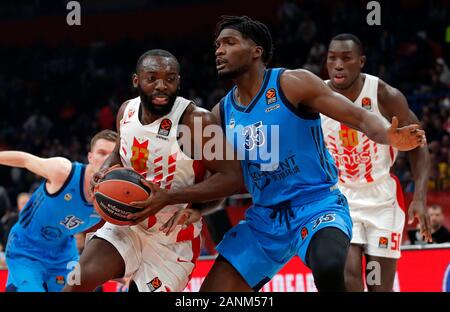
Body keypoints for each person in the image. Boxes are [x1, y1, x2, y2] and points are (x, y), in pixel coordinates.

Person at [164, 15, 424, 292]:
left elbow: (359, 117)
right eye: (217, 45)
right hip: (265, 219)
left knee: (329, 266)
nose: (219, 50)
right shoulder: (220, 114)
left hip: (317, 206)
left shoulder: (292, 83)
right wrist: (196, 207)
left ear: (256, 51)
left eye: (229, 42)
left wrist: (387, 135)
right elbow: (227, 180)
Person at [63, 49, 243, 292]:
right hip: (128, 224)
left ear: (178, 82)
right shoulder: (125, 112)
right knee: (78, 281)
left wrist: (173, 199)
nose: (162, 86)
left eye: (170, 79)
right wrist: (103, 172)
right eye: (152, 78)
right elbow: (119, 152)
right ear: (137, 81)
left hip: (172, 238)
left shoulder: (197, 121)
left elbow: (232, 177)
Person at [320, 33, 432, 292]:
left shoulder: (384, 95)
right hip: (340, 197)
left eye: (346, 58)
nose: (337, 64)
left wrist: (420, 197)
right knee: (348, 277)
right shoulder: (317, 95)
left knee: (379, 285)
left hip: (382, 199)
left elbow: (418, 145)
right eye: (332, 58)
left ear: (361, 62)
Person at [1, 129, 117, 291]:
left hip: (64, 252)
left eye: (112, 155)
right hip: (26, 246)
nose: (106, 159)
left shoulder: (116, 196)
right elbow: (25, 159)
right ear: (90, 157)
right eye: (102, 153)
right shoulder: (63, 171)